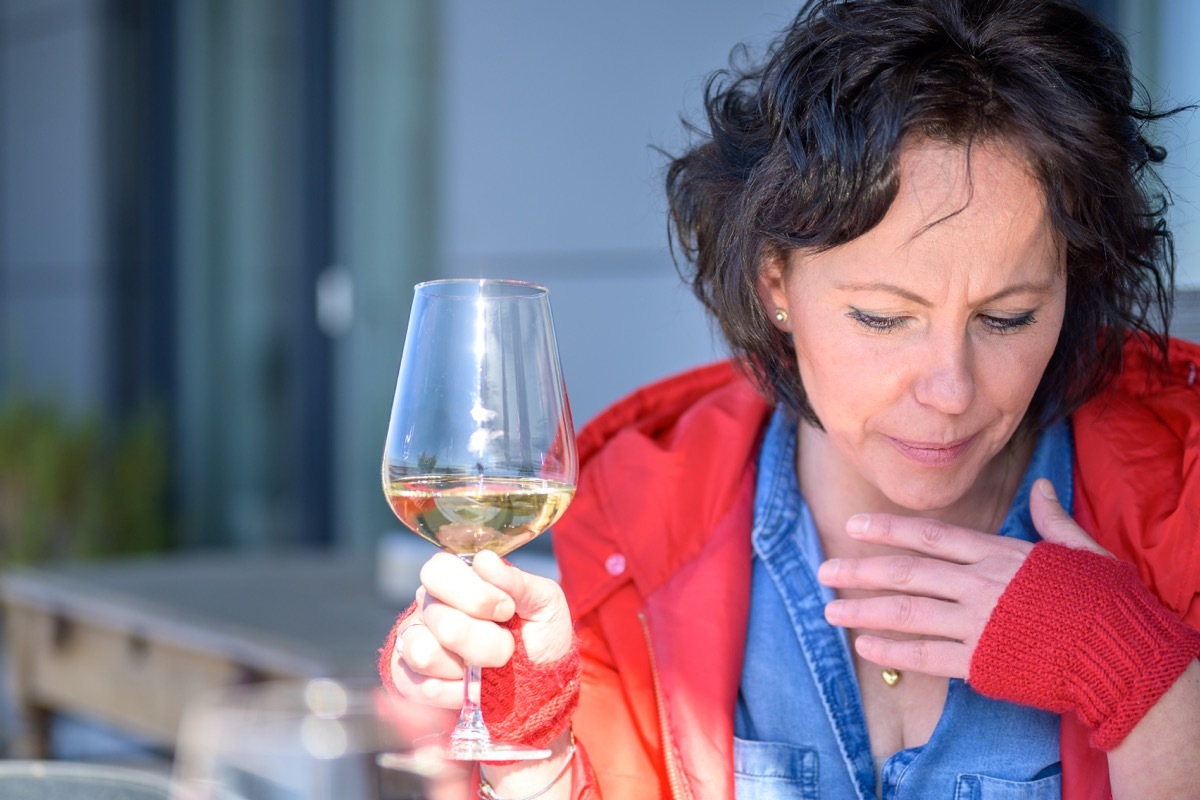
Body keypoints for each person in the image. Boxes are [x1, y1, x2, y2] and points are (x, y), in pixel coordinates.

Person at [380, 0, 1200, 797]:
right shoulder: (639, 522)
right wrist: (532, 766)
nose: (951, 390)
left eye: (1008, 316)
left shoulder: (1184, 510)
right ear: (776, 282)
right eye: (883, 317)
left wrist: (1145, 682)